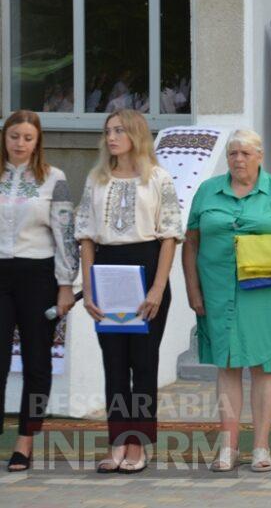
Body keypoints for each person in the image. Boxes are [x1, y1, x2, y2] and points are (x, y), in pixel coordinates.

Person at [182, 129, 271, 473]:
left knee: (263, 366)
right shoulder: (209, 190)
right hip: (217, 289)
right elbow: (191, 242)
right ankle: (227, 447)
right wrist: (192, 290)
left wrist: (259, 248)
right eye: (232, 153)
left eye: (244, 153)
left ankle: (261, 446)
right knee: (227, 365)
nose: (238, 159)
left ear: (259, 156)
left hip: (265, 291)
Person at [75, 109, 183, 474]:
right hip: (107, 272)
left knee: (144, 361)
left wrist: (157, 287)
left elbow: (170, 237)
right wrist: (88, 289)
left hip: (147, 269)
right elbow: (87, 238)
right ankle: (117, 442)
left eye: (119, 130)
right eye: (107, 131)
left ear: (136, 134)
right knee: (114, 363)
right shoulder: (96, 179)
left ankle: (139, 444)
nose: (111, 137)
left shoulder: (158, 178)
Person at [0, 111, 78, 472]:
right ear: (5, 137)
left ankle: (25, 441)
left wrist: (66, 285)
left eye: (27, 138)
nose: (20, 144)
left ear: (38, 141)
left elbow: (65, 236)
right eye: (14, 136)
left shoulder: (54, 179)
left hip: (38, 275)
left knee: (36, 360)